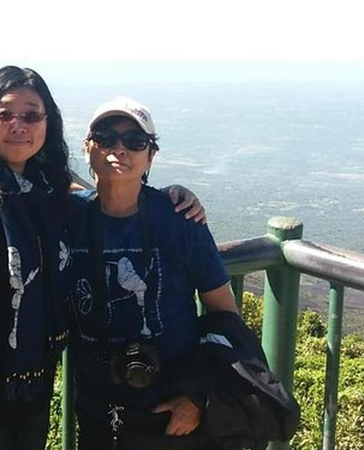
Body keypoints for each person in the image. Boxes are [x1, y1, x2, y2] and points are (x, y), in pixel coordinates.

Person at [0, 68, 205, 450]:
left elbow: (107, 196)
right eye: (5, 114)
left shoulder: (45, 193)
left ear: (47, 123)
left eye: (32, 115)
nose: (19, 124)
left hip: (28, 399)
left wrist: (169, 196)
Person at [66, 96, 239, 450]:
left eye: (135, 141)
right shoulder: (68, 218)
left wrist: (195, 397)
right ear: (88, 149)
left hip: (172, 414)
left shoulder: (180, 220)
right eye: (105, 138)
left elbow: (224, 315)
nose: (119, 149)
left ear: (151, 155)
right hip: (97, 411)